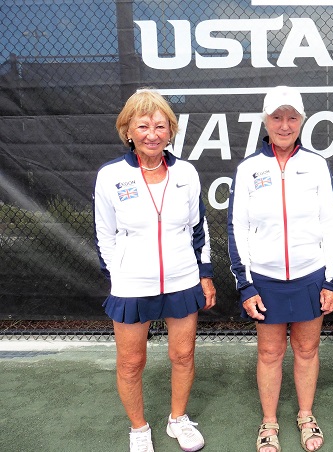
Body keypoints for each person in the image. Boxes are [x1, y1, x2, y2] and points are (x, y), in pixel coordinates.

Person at [94, 89, 216, 452]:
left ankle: (178, 419)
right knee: (132, 362)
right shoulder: (111, 176)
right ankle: (139, 429)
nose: (152, 133)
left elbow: (199, 228)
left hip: (182, 278)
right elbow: (105, 234)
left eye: (160, 126)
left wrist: (204, 274)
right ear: (128, 130)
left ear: (170, 131)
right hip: (132, 284)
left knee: (183, 355)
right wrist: (120, 276)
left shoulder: (187, 173)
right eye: (143, 125)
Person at [227, 86, 333, 452]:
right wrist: (246, 286)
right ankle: (269, 422)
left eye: (292, 117)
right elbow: (237, 228)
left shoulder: (316, 165)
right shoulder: (249, 169)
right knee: (270, 353)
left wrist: (332, 280)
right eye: (277, 117)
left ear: (302, 121)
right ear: (265, 121)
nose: (284, 124)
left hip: (311, 276)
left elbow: (332, 224)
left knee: (308, 351)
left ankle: (306, 415)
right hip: (265, 279)